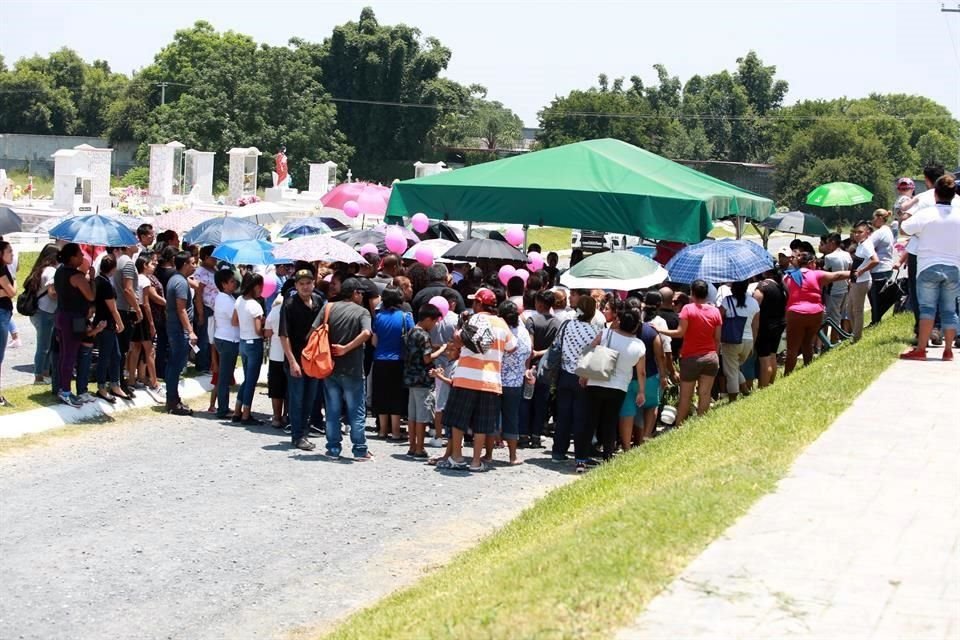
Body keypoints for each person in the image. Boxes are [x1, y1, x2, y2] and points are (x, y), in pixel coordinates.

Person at [442, 288, 516, 472]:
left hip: (465, 377)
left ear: (479, 304)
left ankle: (457, 457)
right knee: (482, 424)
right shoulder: (501, 324)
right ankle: (476, 462)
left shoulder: (473, 319)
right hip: (490, 380)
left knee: (458, 420)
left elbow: (457, 340)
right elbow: (512, 347)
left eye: (474, 301)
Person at [899, 174, 960, 361]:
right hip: (953, 267)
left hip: (928, 266)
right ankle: (948, 351)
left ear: (935, 194)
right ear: (953, 194)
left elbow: (904, 229)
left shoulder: (926, 214)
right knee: (950, 310)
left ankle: (921, 349)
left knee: (927, 310)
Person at [584, 304, 645, 462]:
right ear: (636, 326)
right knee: (610, 422)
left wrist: (583, 374)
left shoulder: (605, 333)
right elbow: (641, 372)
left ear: (619, 321)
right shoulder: (639, 345)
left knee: (590, 420)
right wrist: (641, 391)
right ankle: (608, 456)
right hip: (619, 387)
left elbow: (590, 350)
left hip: (596, 380)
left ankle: (581, 457)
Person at [322, 277, 373, 460]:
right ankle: (359, 449)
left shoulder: (328, 308)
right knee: (356, 410)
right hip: (353, 368)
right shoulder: (362, 312)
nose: (362, 296)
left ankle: (333, 448)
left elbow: (314, 331)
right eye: (361, 293)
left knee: (332, 410)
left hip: (330, 367)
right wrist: (346, 348)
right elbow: (367, 333)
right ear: (355, 293)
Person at [658, 280, 721, 427]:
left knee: (686, 396)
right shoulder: (715, 311)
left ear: (692, 292)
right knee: (705, 393)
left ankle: (679, 425)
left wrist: (660, 330)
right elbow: (717, 338)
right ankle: (701, 424)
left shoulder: (687, 309)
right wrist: (715, 355)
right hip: (711, 357)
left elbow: (680, 333)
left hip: (691, 358)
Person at [782, 251, 851, 374]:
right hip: (815, 313)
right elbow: (837, 275)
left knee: (792, 348)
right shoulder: (817, 274)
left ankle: (787, 375)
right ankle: (808, 369)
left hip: (795, 314)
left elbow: (786, 294)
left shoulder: (787, 277)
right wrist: (856, 273)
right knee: (808, 343)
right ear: (810, 263)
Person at [279, 269, 325, 450]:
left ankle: (303, 433)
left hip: (313, 359)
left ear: (313, 284)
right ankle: (297, 435)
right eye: (301, 284)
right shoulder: (289, 305)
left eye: (308, 283)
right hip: (296, 359)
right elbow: (284, 335)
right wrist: (292, 361)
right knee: (297, 399)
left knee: (310, 399)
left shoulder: (319, 301)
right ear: (296, 286)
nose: (305, 287)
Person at [553, 294, 599, 468]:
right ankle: (581, 455)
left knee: (563, 415)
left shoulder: (566, 325)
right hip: (583, 377)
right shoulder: (595, 332)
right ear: (592, 312)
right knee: (581, 418)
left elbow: (557, 345)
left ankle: (558, 451)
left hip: (564, 374)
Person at [52, 244, 96, 408]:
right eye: (79, 255)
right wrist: (92, 278)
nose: (82, 258)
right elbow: (90, 296)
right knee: (70, 355)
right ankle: (65, 391)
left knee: (64, 354)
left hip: (61, 315)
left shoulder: (59, 271)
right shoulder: (77, 276)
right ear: (72, 257)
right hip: (74, 318)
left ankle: (62, 387)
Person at [403, 303, 446, 459]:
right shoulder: (424, 335)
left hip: (410, 378)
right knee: (422, 416)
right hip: (422, 379)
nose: (434, 325)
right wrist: (441, 350)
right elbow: (427, 358)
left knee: (412, 416)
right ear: (428, 319)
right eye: (434, 321)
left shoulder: (411, 332)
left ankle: (412, 447)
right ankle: (420, 449)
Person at [371, 286, 412, 440]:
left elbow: (374, 341)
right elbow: (412, 337)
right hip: (398, 360)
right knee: (396, 395)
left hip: (380, 359)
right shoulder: (405, 317)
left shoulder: (378, 317)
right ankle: (395, 431)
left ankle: (382, 430)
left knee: (381, 394)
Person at [521, 290, 559, 449]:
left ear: (540, 304)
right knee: (541, 403)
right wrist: (543, 353)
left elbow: (529, 347)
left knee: (526, 400)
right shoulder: (558, 323)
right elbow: (555, 347)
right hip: (547, 369)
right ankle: (536, 436)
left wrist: (527, 366)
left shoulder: (532, 320)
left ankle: (524, 435)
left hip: (532, 367)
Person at [498, 300, 532, 465]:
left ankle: (488, 454)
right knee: (512, 418)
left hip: (497, 380)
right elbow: (528, 352)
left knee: (492, 417)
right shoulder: (524, 333)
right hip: (516, 382)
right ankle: (513, 456)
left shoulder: (501, 332)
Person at [164, 251, 198, 415]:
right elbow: (181, 309)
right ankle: (172, 401)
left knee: (174, 364)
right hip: (179, 330)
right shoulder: (180, 282)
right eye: (192, 263)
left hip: (176, 328)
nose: (195, 266)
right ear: (184, 264)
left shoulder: (177, 279)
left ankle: (173, 399)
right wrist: (190, 331)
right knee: (176, 365)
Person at [93, 255, 130, 403]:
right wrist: (120, 323)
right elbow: (113, 308)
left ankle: (115, 385)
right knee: (105, 356)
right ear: (113, 268)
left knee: (116, 355)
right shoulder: (104, 284)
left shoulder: (99, 280)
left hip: (106, 322)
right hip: (105, 323)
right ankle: (102, 387)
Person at [718, 280, 760, 401]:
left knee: (730, 372)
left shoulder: (727, 301)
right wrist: (753, 345)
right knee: (734, 367)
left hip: (731, 341)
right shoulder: (754, 302)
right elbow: (755, 326)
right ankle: (745, 390)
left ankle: (733, 399)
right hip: (748, 341)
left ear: (732, 288)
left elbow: (717, 318)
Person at [24, 245, 60, 384]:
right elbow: (52, 293)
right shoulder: (51, 271)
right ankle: (39, 376)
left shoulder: (40, 269)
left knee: (46, 345)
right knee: (44, 346)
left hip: (40, 311)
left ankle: (45, 373)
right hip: (45, 312)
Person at [233, 273, 265, 424]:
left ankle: (237, 410)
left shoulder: (239, 300)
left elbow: (234, 321)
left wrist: (245, 324)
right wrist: (266, 331)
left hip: (243, 341)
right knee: (251, 380)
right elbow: (258, 331)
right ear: (256, 286)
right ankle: (246, 414)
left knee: (247, 379)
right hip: (254, 343)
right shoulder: (255, 305)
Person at [211, 269, 241, 420]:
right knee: (224, 376)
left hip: (227, 338)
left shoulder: (227, 297)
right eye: (231, 281)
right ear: (223, 284)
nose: (234, 284)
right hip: (227, 339)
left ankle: (223, 406)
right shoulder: (224, 299)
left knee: (226, 375)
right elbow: (236, 319)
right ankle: (222, 408)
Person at [848, 222, 880, 342]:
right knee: (850, 310)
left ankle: (857, 337)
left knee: (857, 311)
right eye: (855, 232)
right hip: (856, 281)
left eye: (860, 232)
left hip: (862, 281)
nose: (857, 234)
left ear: (867, 233)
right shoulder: (861, 244)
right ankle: (855, 333)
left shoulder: (866, 245)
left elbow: (875, 260)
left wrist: (861, 271)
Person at [819, 233, 852, 339]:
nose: (826, 245)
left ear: (832, 242)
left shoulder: (829, 257)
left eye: (827, 243)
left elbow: (825, 274)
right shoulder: (847, 254)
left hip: (833, 291)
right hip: (845, 289)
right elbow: (850, 269)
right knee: (839, 316)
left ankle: (833, 341)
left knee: (834, 319)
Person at [867, 209, 896, 325]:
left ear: (879, 218)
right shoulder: (887, 230)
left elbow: (867, 246)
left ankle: (875, 322)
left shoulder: (879, 233)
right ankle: (876, 321)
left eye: (873, 218)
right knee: (879, 298)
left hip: (879, 268)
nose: (872, 221)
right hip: (886, 267)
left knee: (875, 299)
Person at [193, 245, 218, 374]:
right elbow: (198, 293)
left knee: (212, 336)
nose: (216, 259)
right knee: (204, 336)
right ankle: (202, 364)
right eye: (214, 257)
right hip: (206, 307)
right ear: (206, 257)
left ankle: (211, 362)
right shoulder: (200, 272)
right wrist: (201, 313)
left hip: (215, 308)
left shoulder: (214, 269)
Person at [264, 297, 287, 430]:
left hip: (275, 354)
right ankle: (286, 415)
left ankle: (276, 417)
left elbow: (267, 332)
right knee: (289, 387)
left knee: (276, 388)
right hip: (290, 354)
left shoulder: (274, 311)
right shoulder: (292, 310)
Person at [0, 241, 16, 406]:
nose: (12, 254)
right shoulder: (1, 270)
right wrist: (6, 291)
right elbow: (12, 291)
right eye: (9, 251)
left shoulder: (5, 268)